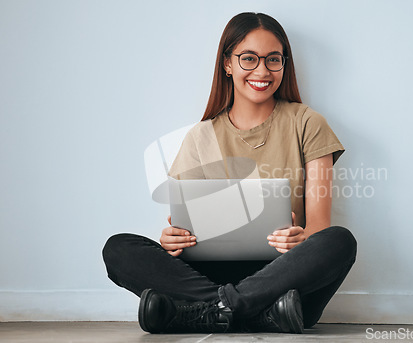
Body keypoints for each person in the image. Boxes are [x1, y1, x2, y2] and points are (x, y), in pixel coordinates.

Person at [102, 12, 357, 334]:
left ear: (284, 64)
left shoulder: (307, 123)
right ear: (227, 64)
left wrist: (300, 238)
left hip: (281, 274)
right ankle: (253, 313)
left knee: (338, 241)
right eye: (248, 59)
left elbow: (319, 226)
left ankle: (200, 312)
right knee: (119, 247)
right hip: (216, 275)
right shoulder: (199, 136)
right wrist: (173, 240)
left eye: (273, 60)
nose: (262, 71)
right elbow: (185, 226)